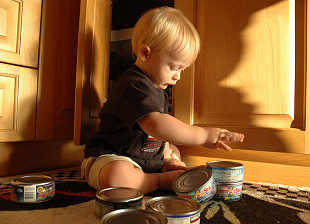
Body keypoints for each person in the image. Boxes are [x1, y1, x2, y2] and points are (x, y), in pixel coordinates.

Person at [81, 6, 244, 194]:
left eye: (182, 70)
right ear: (145, 53)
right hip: (110, 157)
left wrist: (168, 157)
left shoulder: (158, 89)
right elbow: (156, 125)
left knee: (172, 147)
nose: (178, 77)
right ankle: (158, 180)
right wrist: (205, 136)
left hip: (144, 160)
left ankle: (160, 170)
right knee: (118, 176)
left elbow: (161, 136)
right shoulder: (133, 85)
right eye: (174, 68)